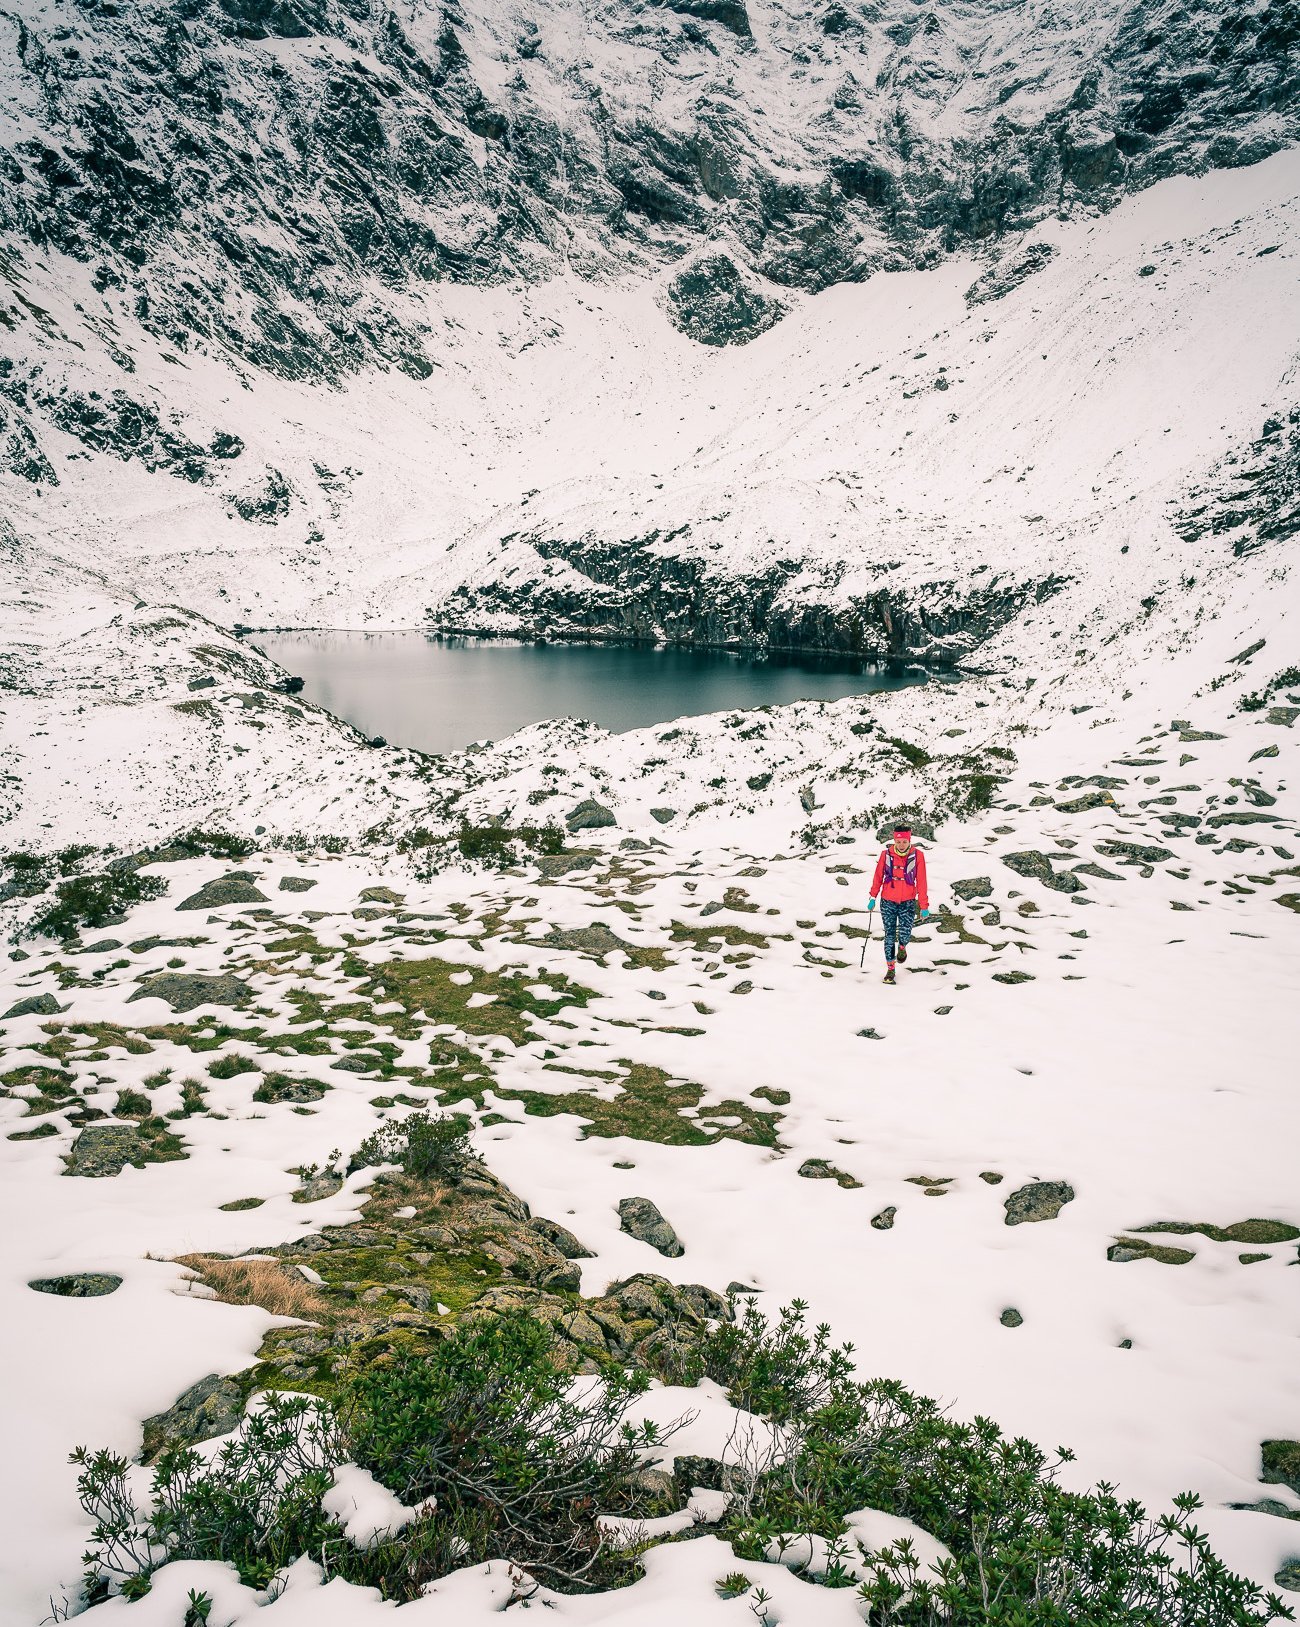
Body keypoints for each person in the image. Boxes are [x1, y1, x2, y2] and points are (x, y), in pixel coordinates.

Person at [867, 824, 929, 984]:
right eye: (898, 841)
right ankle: (890, 970)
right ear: (894, 840)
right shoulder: (885, 855)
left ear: (909, 840)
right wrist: (873, 897)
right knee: (889, 935)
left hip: (908, 902)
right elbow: (878, 876)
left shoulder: (918, 856)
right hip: (888, 901)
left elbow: (921, 881)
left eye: (904, 841)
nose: (901, 844)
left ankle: (902, 947)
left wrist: (924, 906)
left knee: (905, 934)